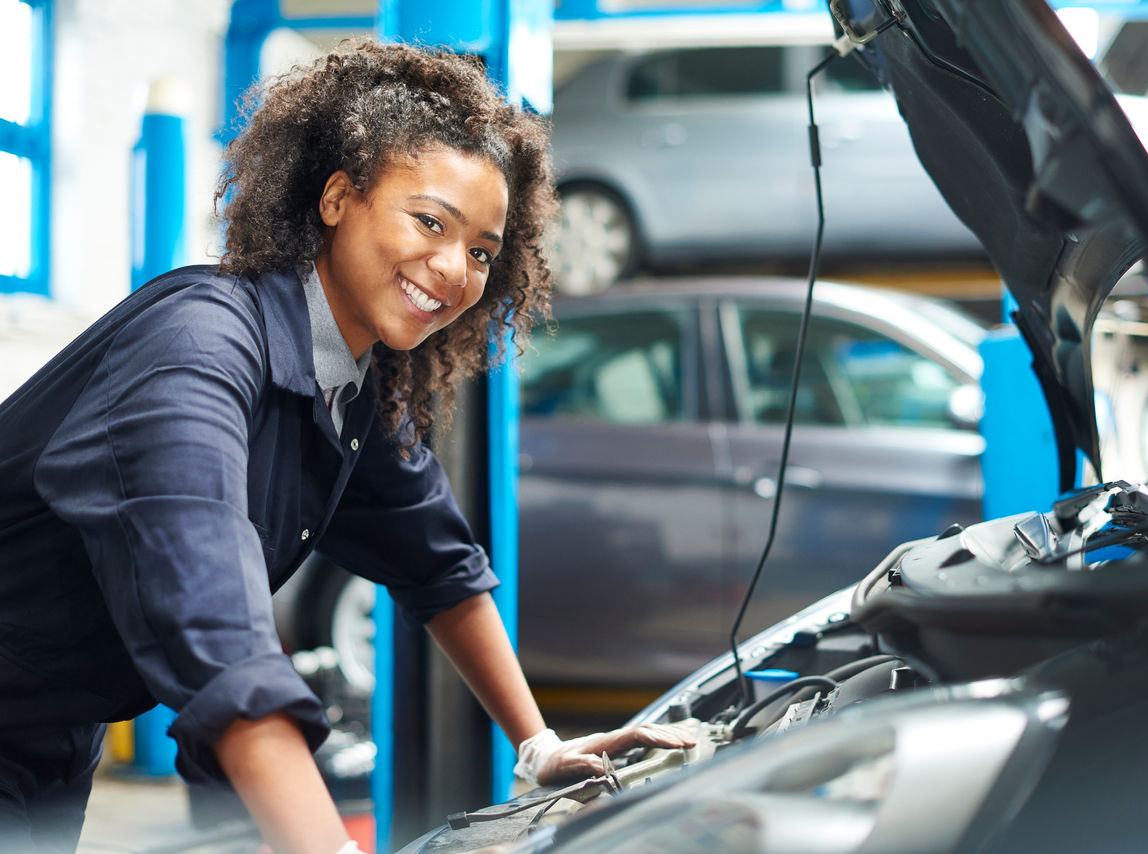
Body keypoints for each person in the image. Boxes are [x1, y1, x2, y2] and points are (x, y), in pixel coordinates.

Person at [0, 41, 691, 854]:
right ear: (337, 198)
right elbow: (212, 615)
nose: (454, 270)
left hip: (51, 729)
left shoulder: (348, 390)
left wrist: (539, 745)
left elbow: (440, 565)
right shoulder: (198, 346)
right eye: (428, 221)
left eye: (480, 251)